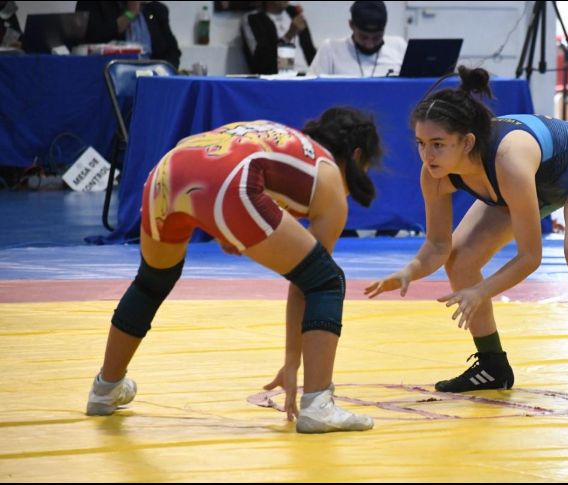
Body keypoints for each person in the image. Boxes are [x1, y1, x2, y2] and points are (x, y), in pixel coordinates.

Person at [85, 107, 383, 433]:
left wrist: (292, 360)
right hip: (229, 178)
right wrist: (291, 361)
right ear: (357, 155)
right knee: (326, 280)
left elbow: (211, 163)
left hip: (168, 170)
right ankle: (319, 404)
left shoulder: (284, 140)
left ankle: (105, 388)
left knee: (152, 281)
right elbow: (310, 283)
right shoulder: (327, 175)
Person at [365, 67, 568, 406]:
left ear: (467, 142)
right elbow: (439, 245)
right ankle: (493, 366)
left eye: (438, 145)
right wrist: (409, 271)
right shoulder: (435, 174)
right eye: (422, 144)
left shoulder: (508, 161)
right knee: (460, 258)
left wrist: (480, 291)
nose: (428, 155)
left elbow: (531, 256)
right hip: (528, 180)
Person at [308, 0, 406, 77]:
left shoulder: (399, 47)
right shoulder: (330, 50)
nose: (369, 44)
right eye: (363, 37)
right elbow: (311, 90)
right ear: (351, 25)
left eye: (377, 37)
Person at [76, 1, 181, 69]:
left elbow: (172, 51)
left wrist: (162, 72)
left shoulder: (156, 10)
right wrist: (130, 13)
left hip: (152, 79)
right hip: (111, 76)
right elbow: (95, 37)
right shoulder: (93, 4)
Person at [241, 1, 317, 75]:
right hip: (280, 77)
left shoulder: (294, 12)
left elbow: (309, 48)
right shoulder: (254, 19)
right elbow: (261, 60)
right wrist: (288, 36)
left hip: (308, 73)